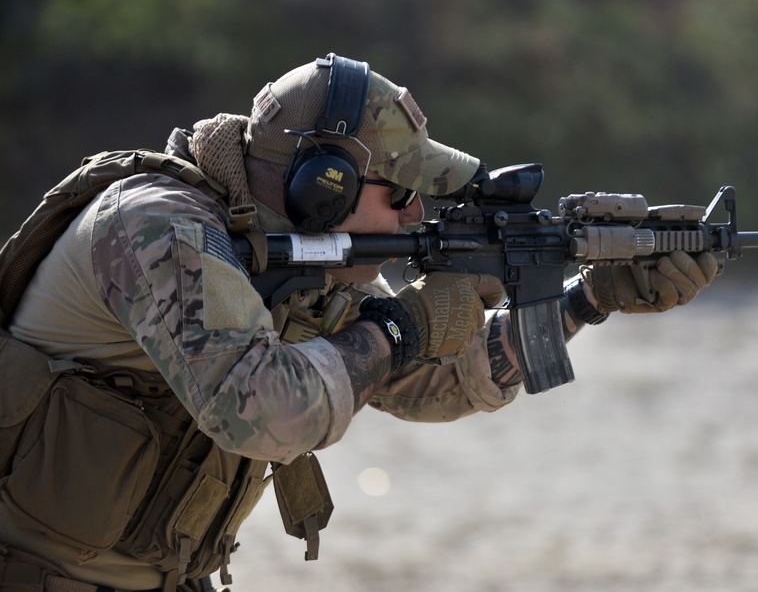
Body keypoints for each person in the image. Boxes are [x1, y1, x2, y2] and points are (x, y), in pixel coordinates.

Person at [0, 53, 717, 591]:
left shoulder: (304, 269)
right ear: (322, 186)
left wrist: (587, 297)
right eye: (402, 190)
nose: (415, 214)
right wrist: (402, 326)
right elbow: (264, 409)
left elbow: (438, 385)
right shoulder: (154, 227)